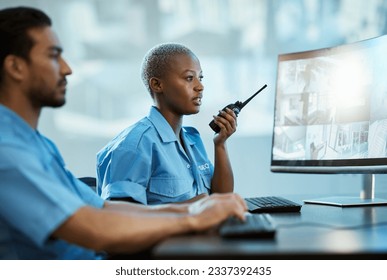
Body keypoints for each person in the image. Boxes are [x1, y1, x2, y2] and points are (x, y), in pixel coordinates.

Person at [0, 6, 247, 260]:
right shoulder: (7, 151)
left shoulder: (36, 144)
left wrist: (196, 209)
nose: (67, 69)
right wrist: (193, 219)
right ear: (16, 67)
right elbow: (94, 227)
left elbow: (104, 209)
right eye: (54, 56)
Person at [96, 43, 238, 205]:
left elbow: (220, 201)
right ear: (157, 85)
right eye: (189, 78)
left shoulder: (192, 141)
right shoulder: (134, 146)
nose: (200, 86)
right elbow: (121, 218)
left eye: (200, 78)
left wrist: (220, 144)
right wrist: (191, 208)